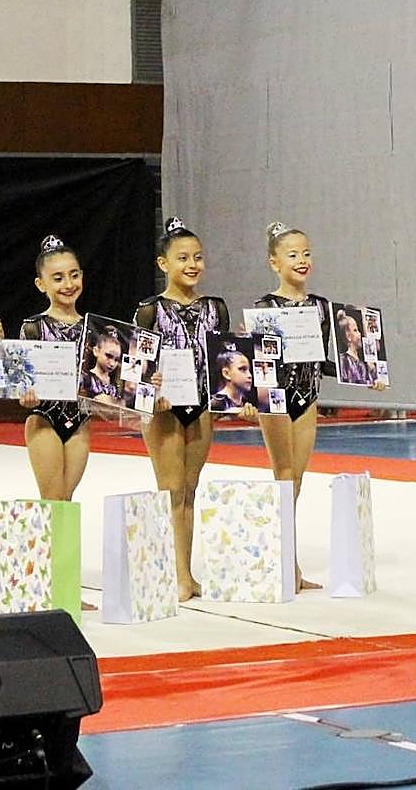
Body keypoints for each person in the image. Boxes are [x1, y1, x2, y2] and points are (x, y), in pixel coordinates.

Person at [254, 221, 383, 591]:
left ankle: (290, 567)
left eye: (306, 253)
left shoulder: (322, 307)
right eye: (292, 254)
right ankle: (282, 567)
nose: (302, 260)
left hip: (307, 397)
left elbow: (324, 360)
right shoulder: (266, 307)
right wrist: (251, 399)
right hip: (276, 399)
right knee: (282, 480)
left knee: (296, 482)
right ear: (274, 263)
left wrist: (363, 372)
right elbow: (262, 360)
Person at [134, 216, 249, 602]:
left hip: (200, 406)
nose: (192, 265)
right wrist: (152, 390)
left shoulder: (216, 308)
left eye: (198, 257)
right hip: (165, 409)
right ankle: (176, 573)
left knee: (190, 491)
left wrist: (239, 398)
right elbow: (138, 366)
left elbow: (225, 359)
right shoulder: (150, 310)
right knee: (170, 490)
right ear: (163, 264)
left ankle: (187, 571)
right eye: (182, 258)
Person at [19, 235, 91, 501]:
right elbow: (20, 386)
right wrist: (26, 395)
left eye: (74, 275)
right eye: (58, 278)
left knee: (66, 501)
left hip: (81, 423)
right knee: (53, 500)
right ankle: (50, 545)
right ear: (41, 284)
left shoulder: (94, 330)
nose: (69, 284)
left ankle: (64, 545)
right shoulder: (32, 327)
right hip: (44, 420)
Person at [82, 324, 124, 406]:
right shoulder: (86, 379)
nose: (112, 363)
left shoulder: (115, 386)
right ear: (96, 351)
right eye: (108, 356)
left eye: (116, 360)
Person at [209, 343, 254, 411]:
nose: (250, 375)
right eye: (242, 369)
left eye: (249, 370)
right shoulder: (216, 403)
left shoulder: (247, 403)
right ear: (226, 373)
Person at [336, 310, 376, 385]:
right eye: (355, 330)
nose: (359, 334)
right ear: (348, 336)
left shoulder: (362, 363)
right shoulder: (344, 361)